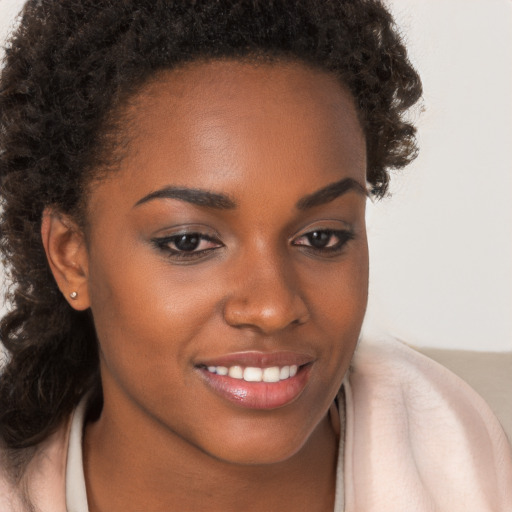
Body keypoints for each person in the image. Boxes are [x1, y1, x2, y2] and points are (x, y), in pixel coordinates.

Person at [0, 1, 510, 511]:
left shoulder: (476, 465)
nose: (272, 307)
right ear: (72, 256)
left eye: (322, 237)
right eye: (188, 242)